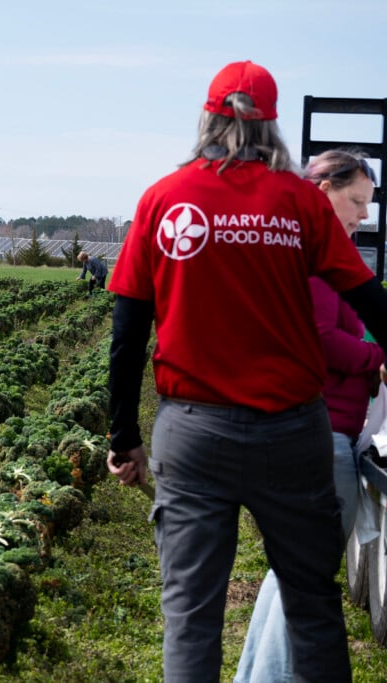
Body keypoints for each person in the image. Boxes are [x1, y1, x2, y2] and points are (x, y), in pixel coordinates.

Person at [106, 60, 387, 683]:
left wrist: (123, 437)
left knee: (191, 615)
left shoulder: (164, 200)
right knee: (312, 606)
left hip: (193, 431)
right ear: (272, 126)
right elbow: (373, 306)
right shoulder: (297, 203)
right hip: (292, 434)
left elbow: (126, 336)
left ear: (208, 118)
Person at [234, 150, 385, 683]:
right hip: (319, 433)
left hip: (306, 430)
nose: (364, 216)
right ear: (322, 192)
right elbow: (318, 341)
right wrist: (376, 358)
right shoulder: (318, 259)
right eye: (357, 202)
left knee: (292, 575)